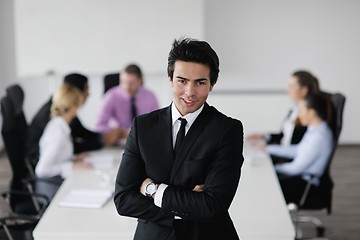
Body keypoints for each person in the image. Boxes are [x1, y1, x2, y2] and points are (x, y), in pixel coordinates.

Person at [114, 38, 244, 240]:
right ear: (170, 78)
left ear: (212, 84)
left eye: (200, 82)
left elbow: (213, 207)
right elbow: (124, 200)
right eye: (182, 81)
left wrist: (153, 190)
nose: (189, 93)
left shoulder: (227, 130)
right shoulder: (143, 126)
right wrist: (188, 207)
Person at [26, 73, 120, 166]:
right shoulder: (55, 117)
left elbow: (81, 132)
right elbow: (68, 146)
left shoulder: (64, 111)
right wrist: (102, 142)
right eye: (86, 89)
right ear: (74, 93)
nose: (88, 94)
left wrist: (104, 137)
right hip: (40, 164)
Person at [267, 94, 334, 205]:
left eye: (301, 110)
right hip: (299, 179)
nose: (298, 115)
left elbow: (296, 168)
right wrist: (268, 148)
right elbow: (297, 150)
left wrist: (272, 168)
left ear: (311, 112)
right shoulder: (315, 129)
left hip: (305, 186)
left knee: (266, 185)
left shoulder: (319, 137)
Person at [247, 70, 320, 147]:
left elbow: (299, 148)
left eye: (291, 86)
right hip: (282, 152)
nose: (288, 90)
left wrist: (269, 149)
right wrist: (263, 136)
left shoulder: (309, 115)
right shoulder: (294, 109)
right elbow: (284, 136)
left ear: (304, 90)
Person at [35, 83, 93, 179]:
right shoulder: (58, 134)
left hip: (60, 180)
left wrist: (74, 159)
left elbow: (58, 158)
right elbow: (41, 170)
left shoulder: (59, 124)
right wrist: (72, 166)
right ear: (73, 106)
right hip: (53, 187)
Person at [95, 64, 159, 141]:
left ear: (140, 81)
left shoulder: (150, 96)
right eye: (123, 82)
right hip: (117, 141)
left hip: (142, 140)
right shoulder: (111, 96)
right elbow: (98, 126)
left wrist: (138, 132)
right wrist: (118, 132)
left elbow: (157, 124)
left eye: (131, 83)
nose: (127, 87)